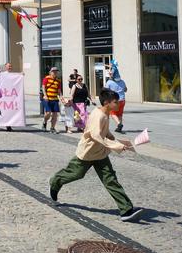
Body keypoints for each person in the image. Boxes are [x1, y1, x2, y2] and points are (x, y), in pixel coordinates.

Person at [49, 88, 143, 223]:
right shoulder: (98, 115)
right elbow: (95, 135)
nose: (118, 104)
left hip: (101, 154)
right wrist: (115, 145)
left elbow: (104, 132)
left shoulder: (106, 113)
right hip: (87, 152)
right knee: (76, 174)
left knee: (110, 180)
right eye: (115, 102)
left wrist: (115, 139)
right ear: (107, 102)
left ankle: (126, 210)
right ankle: (55, 181)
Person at [105, 63, 127, 133]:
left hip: (114, 100)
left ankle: (119, 124)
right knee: (120, 114)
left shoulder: (109, 82)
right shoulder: (122, 81)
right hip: (122, 100)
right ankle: (119, 127)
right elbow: (125, 89)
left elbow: (105, 91)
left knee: (113, 113)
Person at [42, 67, 63, 134]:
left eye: (56, 71)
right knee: (48, 113)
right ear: (50, 72)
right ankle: (44, 122)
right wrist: (45, 95)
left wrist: (61, 97)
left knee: (55, 114)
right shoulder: (46, 78)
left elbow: (59, 91)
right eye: (53, 71)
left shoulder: (58, 80)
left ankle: (52, 128)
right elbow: (43, 87)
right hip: (47, 99)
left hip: (55, 99)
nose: (55, 72)